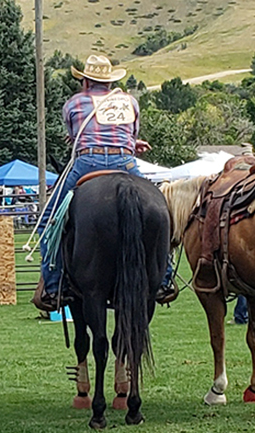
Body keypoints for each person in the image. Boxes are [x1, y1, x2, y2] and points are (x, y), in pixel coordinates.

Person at [32, 54, 176, 313]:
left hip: (87, 162)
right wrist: (131, 144)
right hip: (125, 162)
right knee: (162, 211)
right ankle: (164, 278)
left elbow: (75, 136)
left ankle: (53, 285)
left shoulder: (74, 103)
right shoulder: (130, 101)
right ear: (110, 82)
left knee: (48, 220)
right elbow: (130, 135)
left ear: (86, 81)